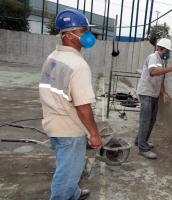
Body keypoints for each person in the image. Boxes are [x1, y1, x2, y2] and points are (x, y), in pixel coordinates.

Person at [39, 9, 102, 200]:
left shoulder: (52, 58)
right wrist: (94, 133)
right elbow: (83, 106)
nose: (88, 35)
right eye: (83, 31)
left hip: (52, 124)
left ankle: (74, 194)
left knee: (66, 166)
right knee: (66, 177)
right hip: (69, 130)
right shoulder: (78, 64)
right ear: (68, 35)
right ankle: (67, 193)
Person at [135, 38, 172, 159]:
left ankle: (140, 141)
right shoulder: (153, 57)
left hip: (153, 94)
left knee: (151, 120)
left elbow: (158, 80)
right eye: (167, 51)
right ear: (161, 49)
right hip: (146, 93)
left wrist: (163, 94)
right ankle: (142, 149)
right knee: (146, 120)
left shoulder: (160, 61)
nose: (168, 54)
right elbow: (153, 72)